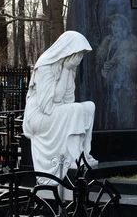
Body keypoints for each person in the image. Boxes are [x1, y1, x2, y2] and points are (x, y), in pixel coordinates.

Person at [23, 31, 97, 185]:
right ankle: (74, 157)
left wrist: (68, 70)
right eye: (77, 53)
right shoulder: (45, 65)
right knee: (75, 110)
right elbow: (51, 103)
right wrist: (66, 69)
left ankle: (83, 154)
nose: (78, 58)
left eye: (81, 54)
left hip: (55, 111)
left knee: (89, 107)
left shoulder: (68, 68)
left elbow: (68, 99)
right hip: (39, 116)